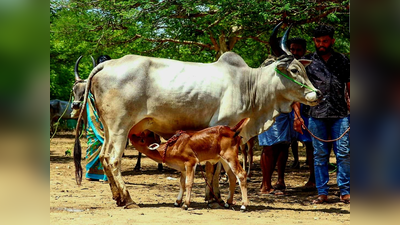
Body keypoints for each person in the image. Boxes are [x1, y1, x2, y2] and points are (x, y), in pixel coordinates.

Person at [302, 25, 350, 204]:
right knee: (320, 154)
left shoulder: (342, 60)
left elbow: (350, 85)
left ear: (332, 41)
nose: (321, 44)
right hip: (315, 113)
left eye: (325, 41)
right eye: (318, 41)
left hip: (340, 113)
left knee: (344, 153)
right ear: (314, 41)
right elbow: (297, 88)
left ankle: (345, 191)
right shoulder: (306, 62)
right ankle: (322, 192)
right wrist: (297, 116)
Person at [287, 37, 317, 190]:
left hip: (312, 111)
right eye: (292, 49)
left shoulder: (309, 65)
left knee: (312, 146)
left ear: (304, 50)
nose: (295, 52)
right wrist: (296, 116)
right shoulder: (286, 65)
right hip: (293, 111)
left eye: (298, 50)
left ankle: (313, 178)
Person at [85, 55, 111, 182]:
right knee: (92, 142)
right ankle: (92, 173)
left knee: (107, 143)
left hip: (107, 117)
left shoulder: (114, 80)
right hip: (93, 117)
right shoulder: (91, 79)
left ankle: (106, 174)